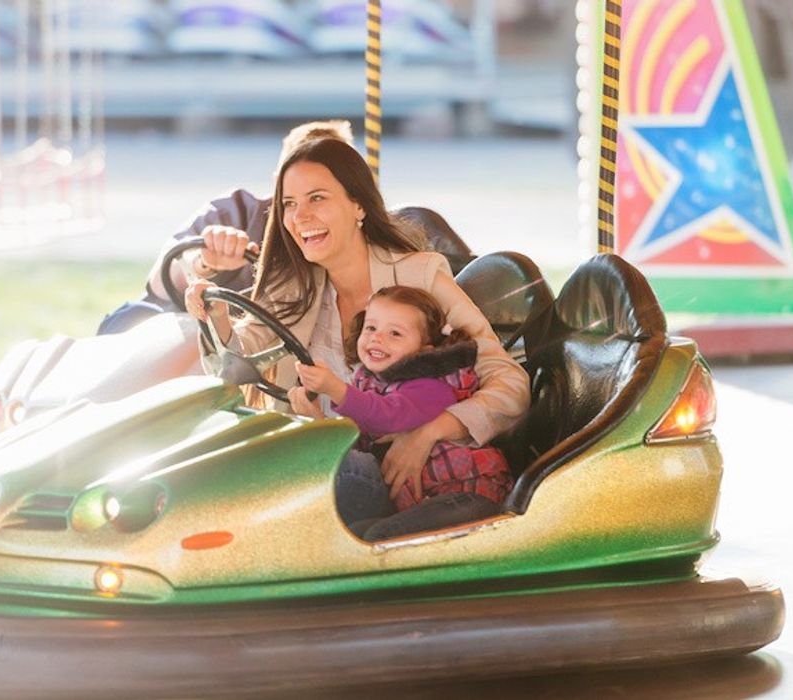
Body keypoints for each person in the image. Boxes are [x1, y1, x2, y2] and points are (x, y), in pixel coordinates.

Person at [184, 138, 529, 540]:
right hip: (318, 461)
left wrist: (429, 432)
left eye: (317, 198)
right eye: (290, 204)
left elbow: (510, 383)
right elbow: (236, 362)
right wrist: (217, 313)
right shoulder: (291, 288)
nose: (301, 217)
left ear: (358, 206)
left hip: (386, 475)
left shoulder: (419, 277)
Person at [287, 285, 512, 540]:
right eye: (370, 328)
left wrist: (335, 389)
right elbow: (361, 442)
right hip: (417, 501)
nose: (377, 338)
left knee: (379, 537)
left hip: (466, 498)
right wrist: (318, 420)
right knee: (355, 536)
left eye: (395, 333)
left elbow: (387, 415)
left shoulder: (432, 385)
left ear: (425, 349)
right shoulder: (371, 380)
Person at [96, 120, 354, 335]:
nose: (302, 213)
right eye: (291, 190)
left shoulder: (357, 246)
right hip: (182, 332)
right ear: (277, 181)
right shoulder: (234, 212)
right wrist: (203, 262)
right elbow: (161, 281)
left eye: (318, 195)